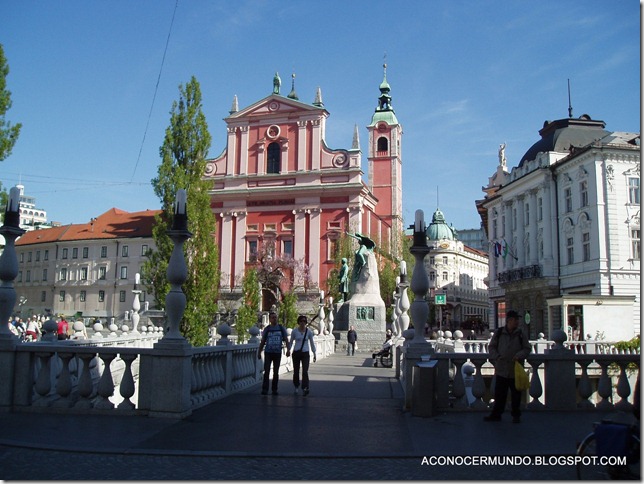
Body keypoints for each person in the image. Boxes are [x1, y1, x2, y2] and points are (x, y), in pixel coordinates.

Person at [484, 310, 531, 423]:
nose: (517, 322)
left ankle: (516, 415)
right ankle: (496, 414)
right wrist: (497, 356)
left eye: (517, 320)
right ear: (509, 320)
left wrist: (519, 355)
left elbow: (527, 348)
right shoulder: (499, 332)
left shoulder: (520, 333)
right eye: (515, 319)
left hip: (515, 369)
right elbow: (491, 347)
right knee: (500, 394)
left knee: (516, 394)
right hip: (502, 369)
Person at [257, 311, 290, 395]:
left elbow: (286, 339)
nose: (275, 319)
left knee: (276, 372)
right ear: (270, 319)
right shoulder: (267, 329)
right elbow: (263, 341)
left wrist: (288, 350)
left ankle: (274, 389)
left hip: (277, 353)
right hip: (268, 352)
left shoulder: (281, 328)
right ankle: (265, 389)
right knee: (267, 371)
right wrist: (259, 352)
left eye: (275, 317)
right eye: (273, 318)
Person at [289, 315, 317, 396]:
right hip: (296, 352)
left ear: (306, 322)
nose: (302, 323)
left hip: (305, 353)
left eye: (304, 321)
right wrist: (288, 350)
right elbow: (291, 342)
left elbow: (312, 343)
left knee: (305, 371)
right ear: (298, 322)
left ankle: (305, 387)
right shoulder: (294, 331)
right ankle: (296, 386)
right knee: (296, 371)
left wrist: (314, 353)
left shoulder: (309, 332)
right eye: (301, 321)